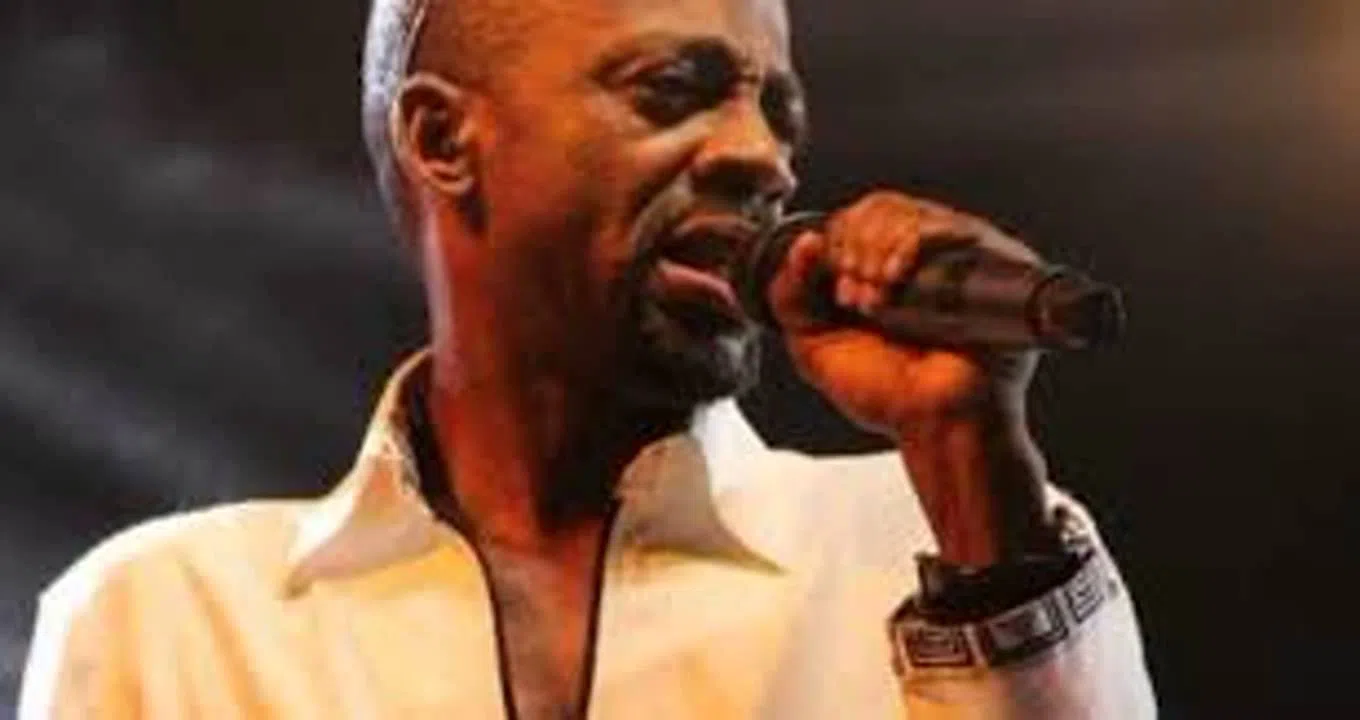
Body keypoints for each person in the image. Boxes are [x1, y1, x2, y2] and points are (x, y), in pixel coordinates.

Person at [18, 0, 1157, 716]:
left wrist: (966, 461)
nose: (762, 157)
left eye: (779, 113)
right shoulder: (168, 619)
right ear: (441, 138)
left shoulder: (948, 542)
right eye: (673, 92)